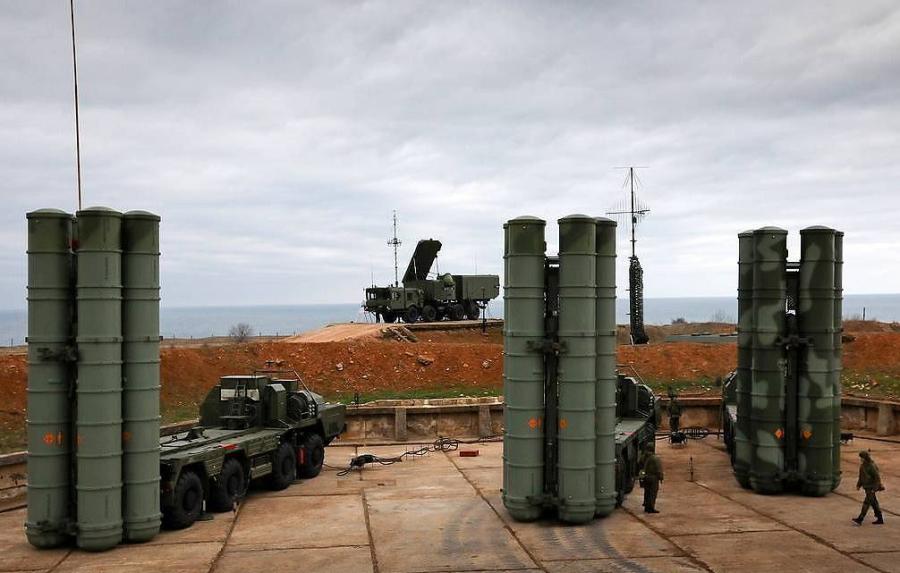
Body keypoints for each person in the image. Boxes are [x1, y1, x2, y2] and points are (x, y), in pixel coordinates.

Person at [853, 450, 885, 525]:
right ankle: (880, 518)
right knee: (874, 503)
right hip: (867, 487)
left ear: (865, 458)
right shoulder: (862, 466)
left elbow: (877, 478)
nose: (861, 459)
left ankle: (860, 518)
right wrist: (858, 485)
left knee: (866, 503)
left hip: (871, 487)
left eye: (862, 458)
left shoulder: (871, 466)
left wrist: (874, 489)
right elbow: (861, 477)